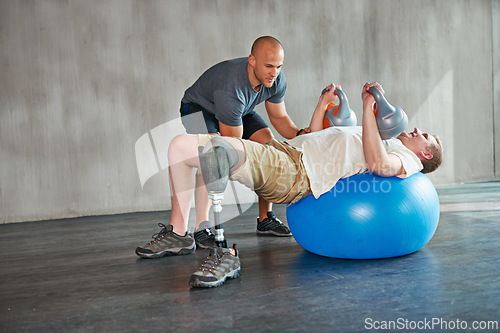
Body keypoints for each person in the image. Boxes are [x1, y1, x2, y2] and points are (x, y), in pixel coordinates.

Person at [135, 82, 443, 287]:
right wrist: (323, 105)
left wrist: (368, 109)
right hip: (289, 152)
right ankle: (179, 234)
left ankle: (223, 252)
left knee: (210, 149)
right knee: (179, 147)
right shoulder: (380, 139)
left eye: (425, 134)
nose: (417, 129)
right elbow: (316, 137)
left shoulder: (404, 157)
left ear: (425, 154)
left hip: (293, 172)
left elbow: (379, 165)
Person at [177, 36, 306, 250]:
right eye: (268, 66)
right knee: (212, 158)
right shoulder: (232, 88)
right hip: (197, 107)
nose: (274, 72)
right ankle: (201, 227)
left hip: (238, 110)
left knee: (269, 149)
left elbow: (280, 119)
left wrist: (301, 132)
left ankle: (265, 219)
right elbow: (233, 145)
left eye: (278, 66)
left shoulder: (275, 79)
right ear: (252, 60)